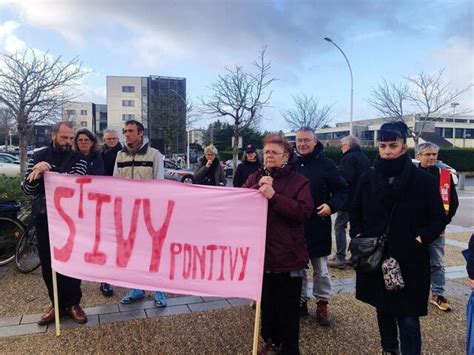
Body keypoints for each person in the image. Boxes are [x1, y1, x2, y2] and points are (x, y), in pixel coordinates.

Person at [350, 121, 446, 355]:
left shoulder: (424, 181)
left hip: (410, 259)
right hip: (378, 256)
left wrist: (421, 239)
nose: (387, 151)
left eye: (393, 145)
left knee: (409, 317)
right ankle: (389, 349)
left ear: (404, 146)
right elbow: (356, 210)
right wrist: (360, 235)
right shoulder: (368, 178)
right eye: (383, 146)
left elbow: (437, 218)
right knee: (382, 309)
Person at [243, 133, 313, 354]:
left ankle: (289, 348)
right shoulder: (255, 177)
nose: (269, 156)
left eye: (274, 152)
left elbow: (303, 212)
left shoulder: (299, 181)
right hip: (262, 256)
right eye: (267, 152)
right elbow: (240, 202)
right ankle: (270, 340)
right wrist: (256, 191)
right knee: (268, 306)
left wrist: (274, 196)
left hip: (288, 258)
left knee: (288, 309)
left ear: (286, 156)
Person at [22, 121, 89, 325]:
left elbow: (74, 182)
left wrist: (49, 170)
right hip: (44, 218)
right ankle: (57, 304)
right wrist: (37, 174)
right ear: (54, 135)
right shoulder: (37, 156)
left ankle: (73, 303)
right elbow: (27, 188)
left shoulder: (79, 158)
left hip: (70, 221)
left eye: (71, 138)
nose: (68, 142)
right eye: (64, 138)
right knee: (48, 263)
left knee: (71, 262)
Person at [294, 127, 348, 325]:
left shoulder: (327, 165)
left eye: (307, 140)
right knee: (297, 269)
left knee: (321, 269)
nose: (302, 144)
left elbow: (343, 190)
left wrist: (332, 206)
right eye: (299, 140)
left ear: (315, 141)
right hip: (295, 226)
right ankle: (300, 301)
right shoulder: (290, 164)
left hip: (318, 224)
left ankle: (322, 302)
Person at [113, 119, 168, 308]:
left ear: (140, 134)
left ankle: (159, 290)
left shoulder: (155, 155)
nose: (126, 134)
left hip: (149, 213)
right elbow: (115, 183)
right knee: (133, 252)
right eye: (124, 131)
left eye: (130, 131)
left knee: (154, 252)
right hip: (129, 213)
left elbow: (159, 184)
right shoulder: (120, 156)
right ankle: (137, 288)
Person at [415, 142, 459, 312]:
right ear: (419, 156)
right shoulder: (411, 174)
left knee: (437, 263)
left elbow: (452, 204)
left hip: (437, 229)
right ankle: (415, 292)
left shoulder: (444, 176)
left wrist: (442, 224)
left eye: (434, 154)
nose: (432, 157)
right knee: (413, 262)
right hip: (414, 228)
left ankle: (438, 294)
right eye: (428, 154)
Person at [73, 128, 114, 297]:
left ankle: (105, 280)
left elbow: (101, 178)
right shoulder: (71, 157)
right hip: (76, 207)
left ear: (92, 142)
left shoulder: (99, 157)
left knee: (102, 244)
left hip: (97, 206)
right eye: (80, 140)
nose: (83, 143)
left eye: (86, 140)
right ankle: (76, 280)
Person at [329, 135, 370, 269]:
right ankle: (355, 256)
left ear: (348, 145)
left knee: (340, 226)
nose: (341, 147)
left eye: (342, 145)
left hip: (348, 200)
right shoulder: (364, 157)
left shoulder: (348, 158)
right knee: (356, 228)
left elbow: (345, 179)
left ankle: (340, 257)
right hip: (362, 199)